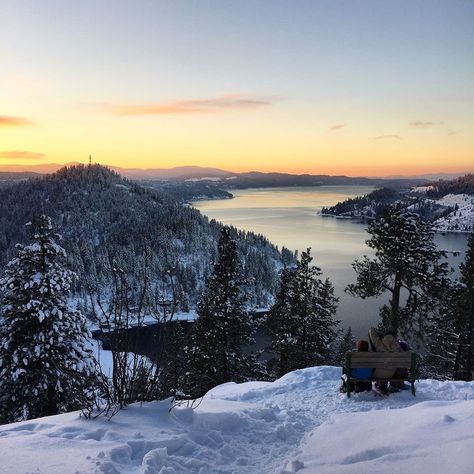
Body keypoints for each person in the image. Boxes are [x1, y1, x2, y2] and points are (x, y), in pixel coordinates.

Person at [368, 327, 401, 395]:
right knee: (386, 367)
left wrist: (380, 333)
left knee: (380, 369)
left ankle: (381, 387)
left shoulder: (379, 345)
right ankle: (384, 386)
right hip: (391, 373)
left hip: (378, 374)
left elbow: (371, 330)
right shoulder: (397, 347)